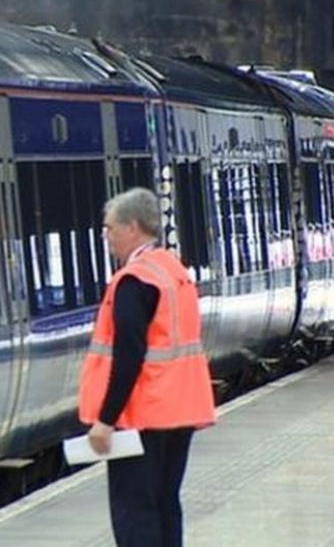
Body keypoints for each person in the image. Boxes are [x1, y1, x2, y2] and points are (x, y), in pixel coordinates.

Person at [78, 187, 216, 547]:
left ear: (132, 227)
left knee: (134, 513)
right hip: (180, 412)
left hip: (142, 415)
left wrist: (105, 420)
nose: (106, 236)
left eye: (109, 228)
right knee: (165, 504)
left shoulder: (134, 280)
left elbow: (129, 355)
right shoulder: (174, 270)